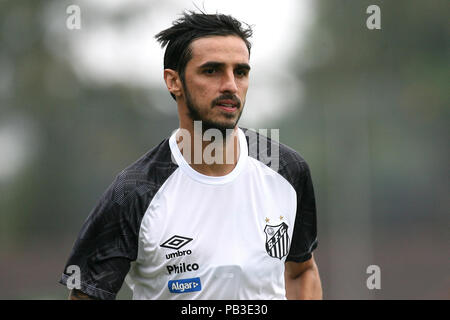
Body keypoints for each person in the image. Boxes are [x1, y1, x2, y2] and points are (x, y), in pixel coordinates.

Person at [59, 10, 322, 300]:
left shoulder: (286, 168)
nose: (231, 86)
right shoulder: (134, 191)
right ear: (174, 82)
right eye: (211, 70)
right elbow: (86, 295)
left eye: (241, 72)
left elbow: (301, 271)